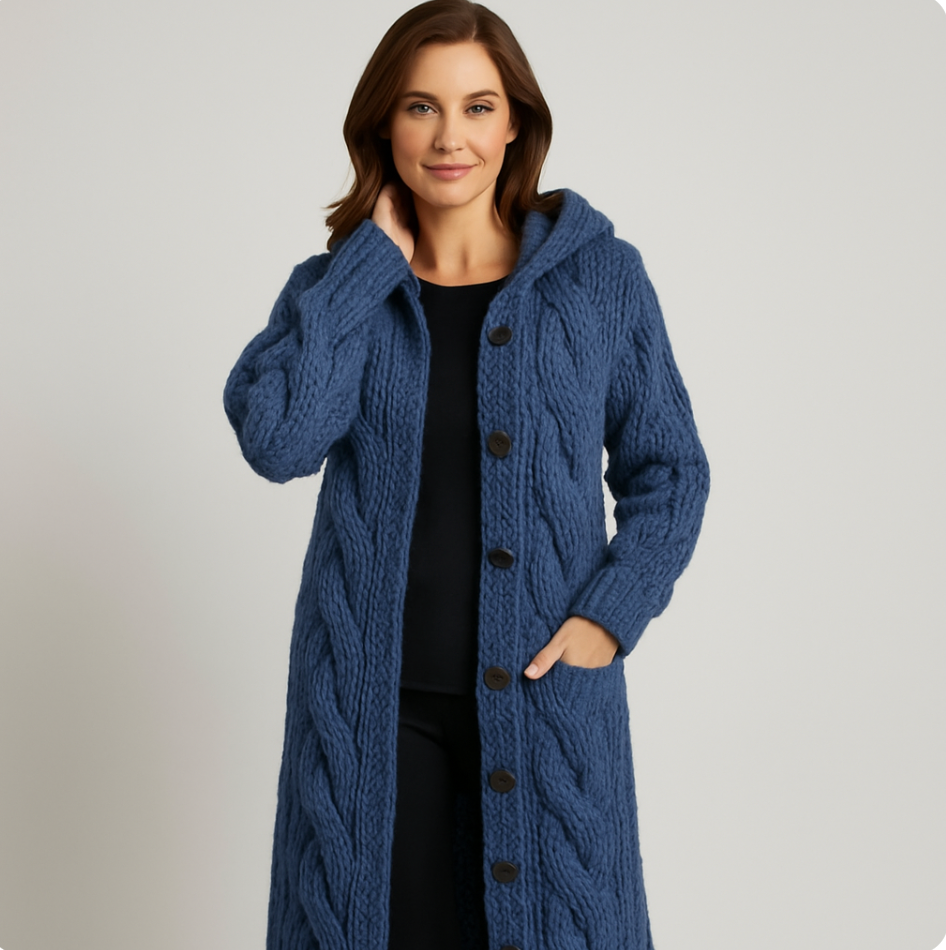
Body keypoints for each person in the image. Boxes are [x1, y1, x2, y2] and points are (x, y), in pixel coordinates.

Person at [222, 0, 710, 947]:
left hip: (542, 694)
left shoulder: (600, 281)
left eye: (478, 107)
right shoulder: (338, 291)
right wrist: (367, 267)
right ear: (384, 125)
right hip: (371, 711)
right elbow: (276, 440)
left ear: (516, 122)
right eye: (422, 107)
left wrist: (609, 617)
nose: (451, 137)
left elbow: (671, 471)